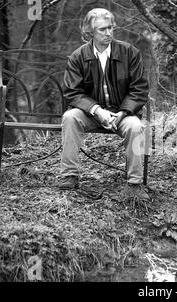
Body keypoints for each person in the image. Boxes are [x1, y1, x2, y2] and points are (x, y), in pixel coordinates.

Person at [59, 8, 149, 201]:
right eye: (102, 29)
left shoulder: (129, 52)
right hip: (91, 114)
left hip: (122, 114)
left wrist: (123, 113)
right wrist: (97, 110)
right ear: (90, 32)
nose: (108, 33)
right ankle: (69, 175)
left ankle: (134, 184)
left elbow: (139, 88)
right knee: (70, 117)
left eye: (110, 28)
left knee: (135, 126)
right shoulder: (78, 57)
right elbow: (72, 92)